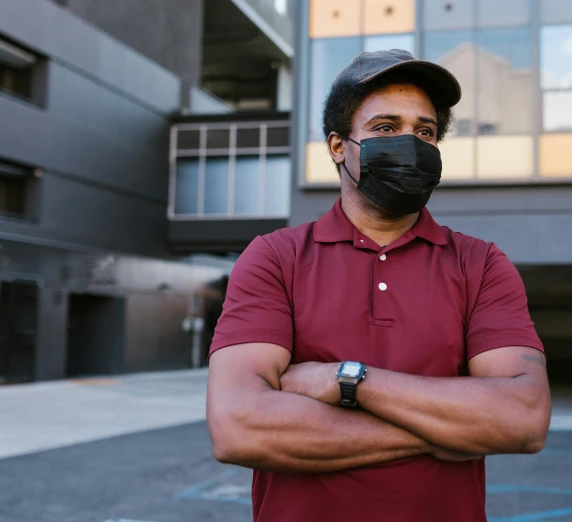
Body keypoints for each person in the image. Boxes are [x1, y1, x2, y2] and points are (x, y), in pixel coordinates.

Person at [206, 49, 551, 522]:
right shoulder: (274, 258)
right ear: (337, 146)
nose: (409, 144)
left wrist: (344, 380)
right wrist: (448, 429)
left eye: (424, 132)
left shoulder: (481, 264)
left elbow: (522, 420)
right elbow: (238, 428)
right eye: (386, 128)